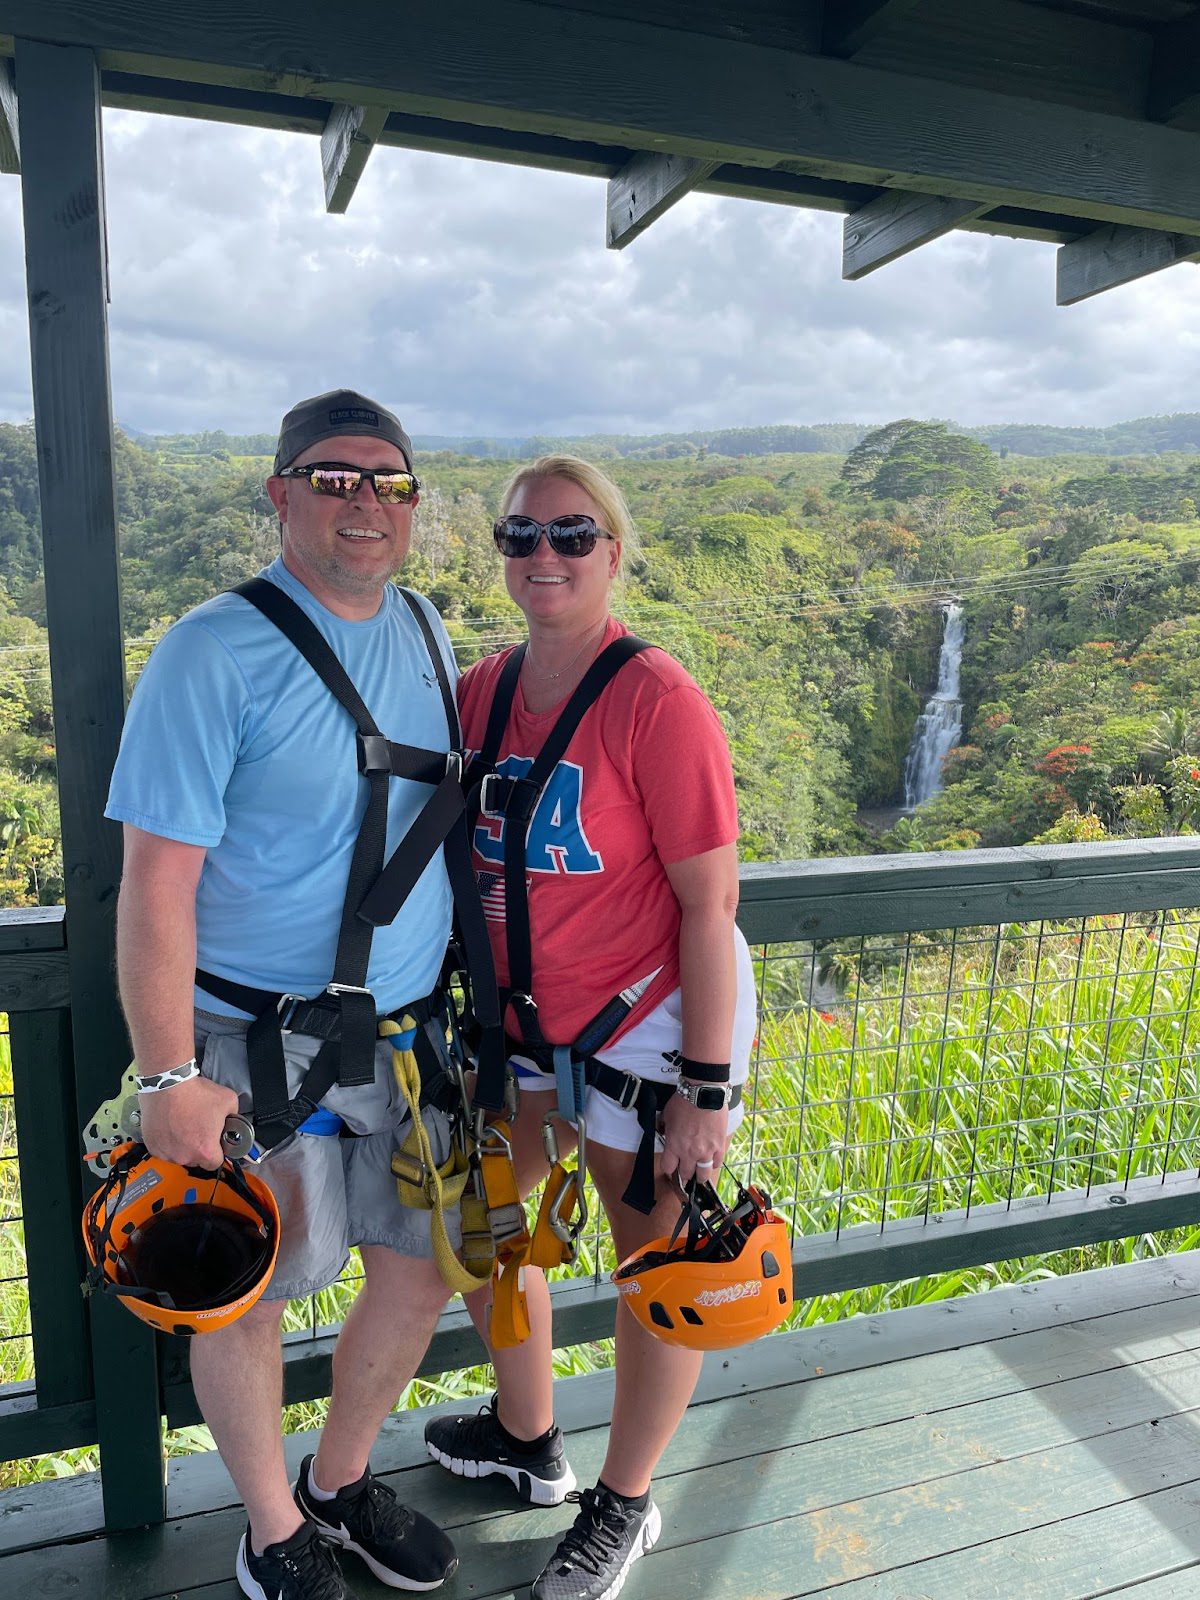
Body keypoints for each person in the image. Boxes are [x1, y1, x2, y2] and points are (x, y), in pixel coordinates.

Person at [105, 390, 466, 1600]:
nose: (365, 502)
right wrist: (167, 1075)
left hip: (409, 1033)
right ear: (280, 492)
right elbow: (155, 882)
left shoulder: (425, 630)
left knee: (420, 1271)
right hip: (247, 1037)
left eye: (389, 482)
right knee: (240, 1290)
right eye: (335, 477)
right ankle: (272, 1531)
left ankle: (339, 1479)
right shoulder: (214, 650)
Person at [424, 455, 757, 1600]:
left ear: (613, 552)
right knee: (487, 1229)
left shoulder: (656, 699)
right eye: (522, 536)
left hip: (647, 1027)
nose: (545, 557)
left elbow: (711, 904)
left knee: (654, 1264)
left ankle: (625, 1501)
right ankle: (530, 1439)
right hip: (523, 1033)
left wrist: (704, 1089)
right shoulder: (480, 693)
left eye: (572, 535)